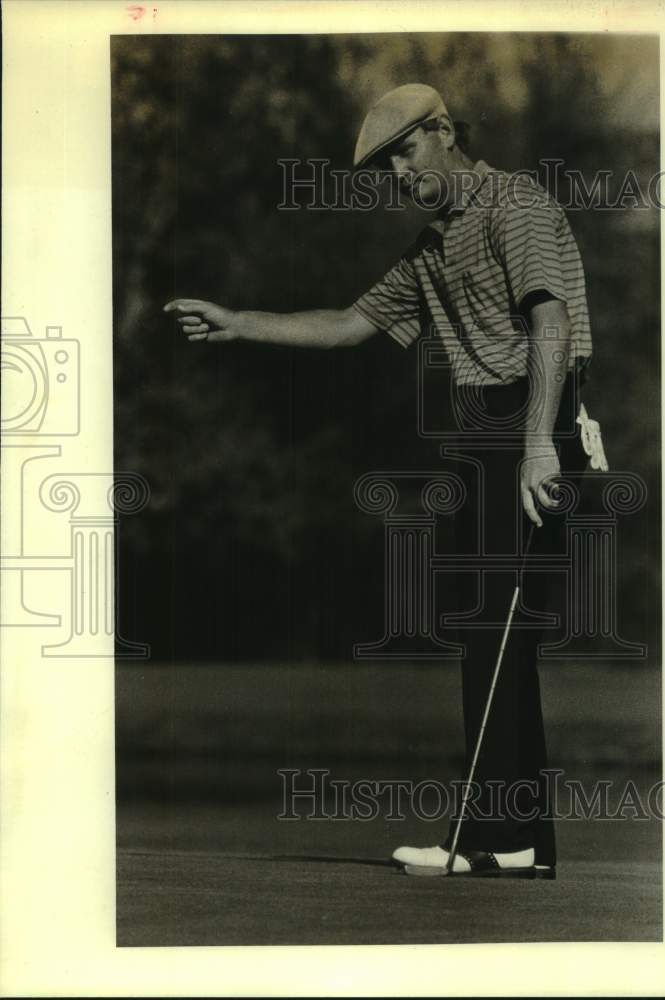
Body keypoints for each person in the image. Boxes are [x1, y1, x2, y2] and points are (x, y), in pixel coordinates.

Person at [164, 83, 593, 878]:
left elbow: (551, 322)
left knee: (498, 629)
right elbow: (347, 324)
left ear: (443, 132)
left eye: (404, 152)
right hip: (484, 428)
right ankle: (522, 841)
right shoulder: (431, 248)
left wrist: (539, 444)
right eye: (385, 166)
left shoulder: (515, 204)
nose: (399, 174)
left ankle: (494, 837)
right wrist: (240, 322)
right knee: (486, 630)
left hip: (533, 417)